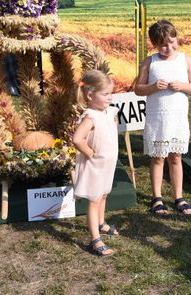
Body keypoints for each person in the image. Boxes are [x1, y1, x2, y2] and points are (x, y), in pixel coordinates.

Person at [134, 20, 191, 215]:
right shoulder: (150, 62)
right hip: (158, 119)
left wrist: (182, 86)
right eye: (163, 44)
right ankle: (157, 198)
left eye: (172, 42)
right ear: (154, 44)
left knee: (176, 157)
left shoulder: (186, 60)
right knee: (158, 158)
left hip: (178, 118)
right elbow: (138, 89)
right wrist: (153, 87)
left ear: (177, 38)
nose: (168, 47)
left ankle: (178, 197)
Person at [72, 69, 119, 256]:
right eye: (105, 94)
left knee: (104, 194)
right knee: (94, 199)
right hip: (95, 165)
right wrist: (90, 153)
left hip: (107, 164)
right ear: (90, 95)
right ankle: (94, 239)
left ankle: (101, 223)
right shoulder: (91, 116)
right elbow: (77, 139)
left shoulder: (109, 112)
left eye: (111, 93)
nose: (110, 97)